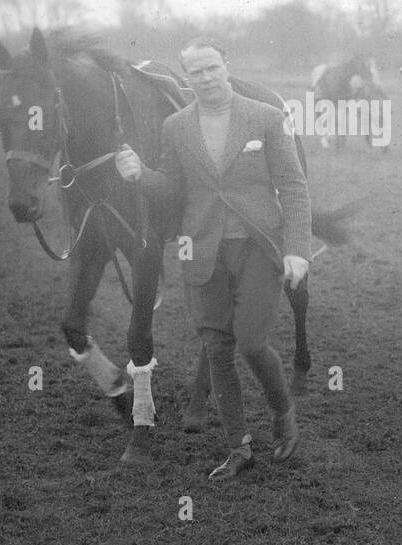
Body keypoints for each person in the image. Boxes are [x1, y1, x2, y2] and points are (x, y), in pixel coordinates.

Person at [116, 36, 311, 480]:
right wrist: (139, 175)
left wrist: (298, 250)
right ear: (186, 78)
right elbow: (173, 189)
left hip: (258, 249)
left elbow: (295, 188)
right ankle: (238, 447)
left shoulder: (267, 118)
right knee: (217, 348)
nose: (204, 78)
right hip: (202, 250)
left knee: (250, 342)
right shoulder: (177, 127)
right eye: (195, 72)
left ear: (227, 66)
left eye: (211, 69)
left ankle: (283, 414)